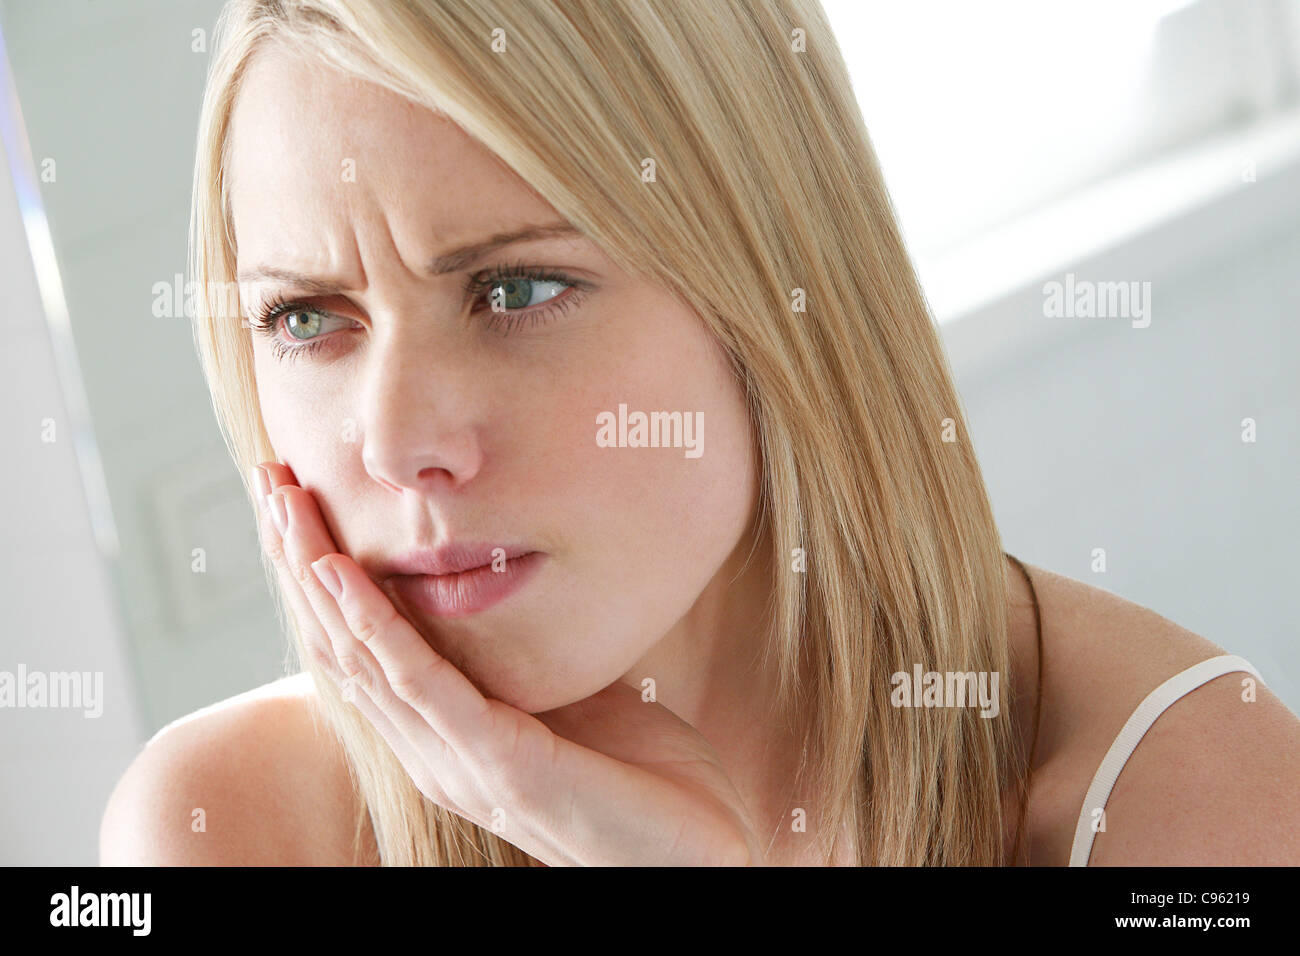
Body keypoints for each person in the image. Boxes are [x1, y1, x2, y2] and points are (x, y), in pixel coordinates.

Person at [100, 0, 1300, 866]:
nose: (399, 441)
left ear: (775, 287)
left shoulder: (1183, 800)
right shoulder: (223, 830)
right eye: (308, 317)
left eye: (514, 290)